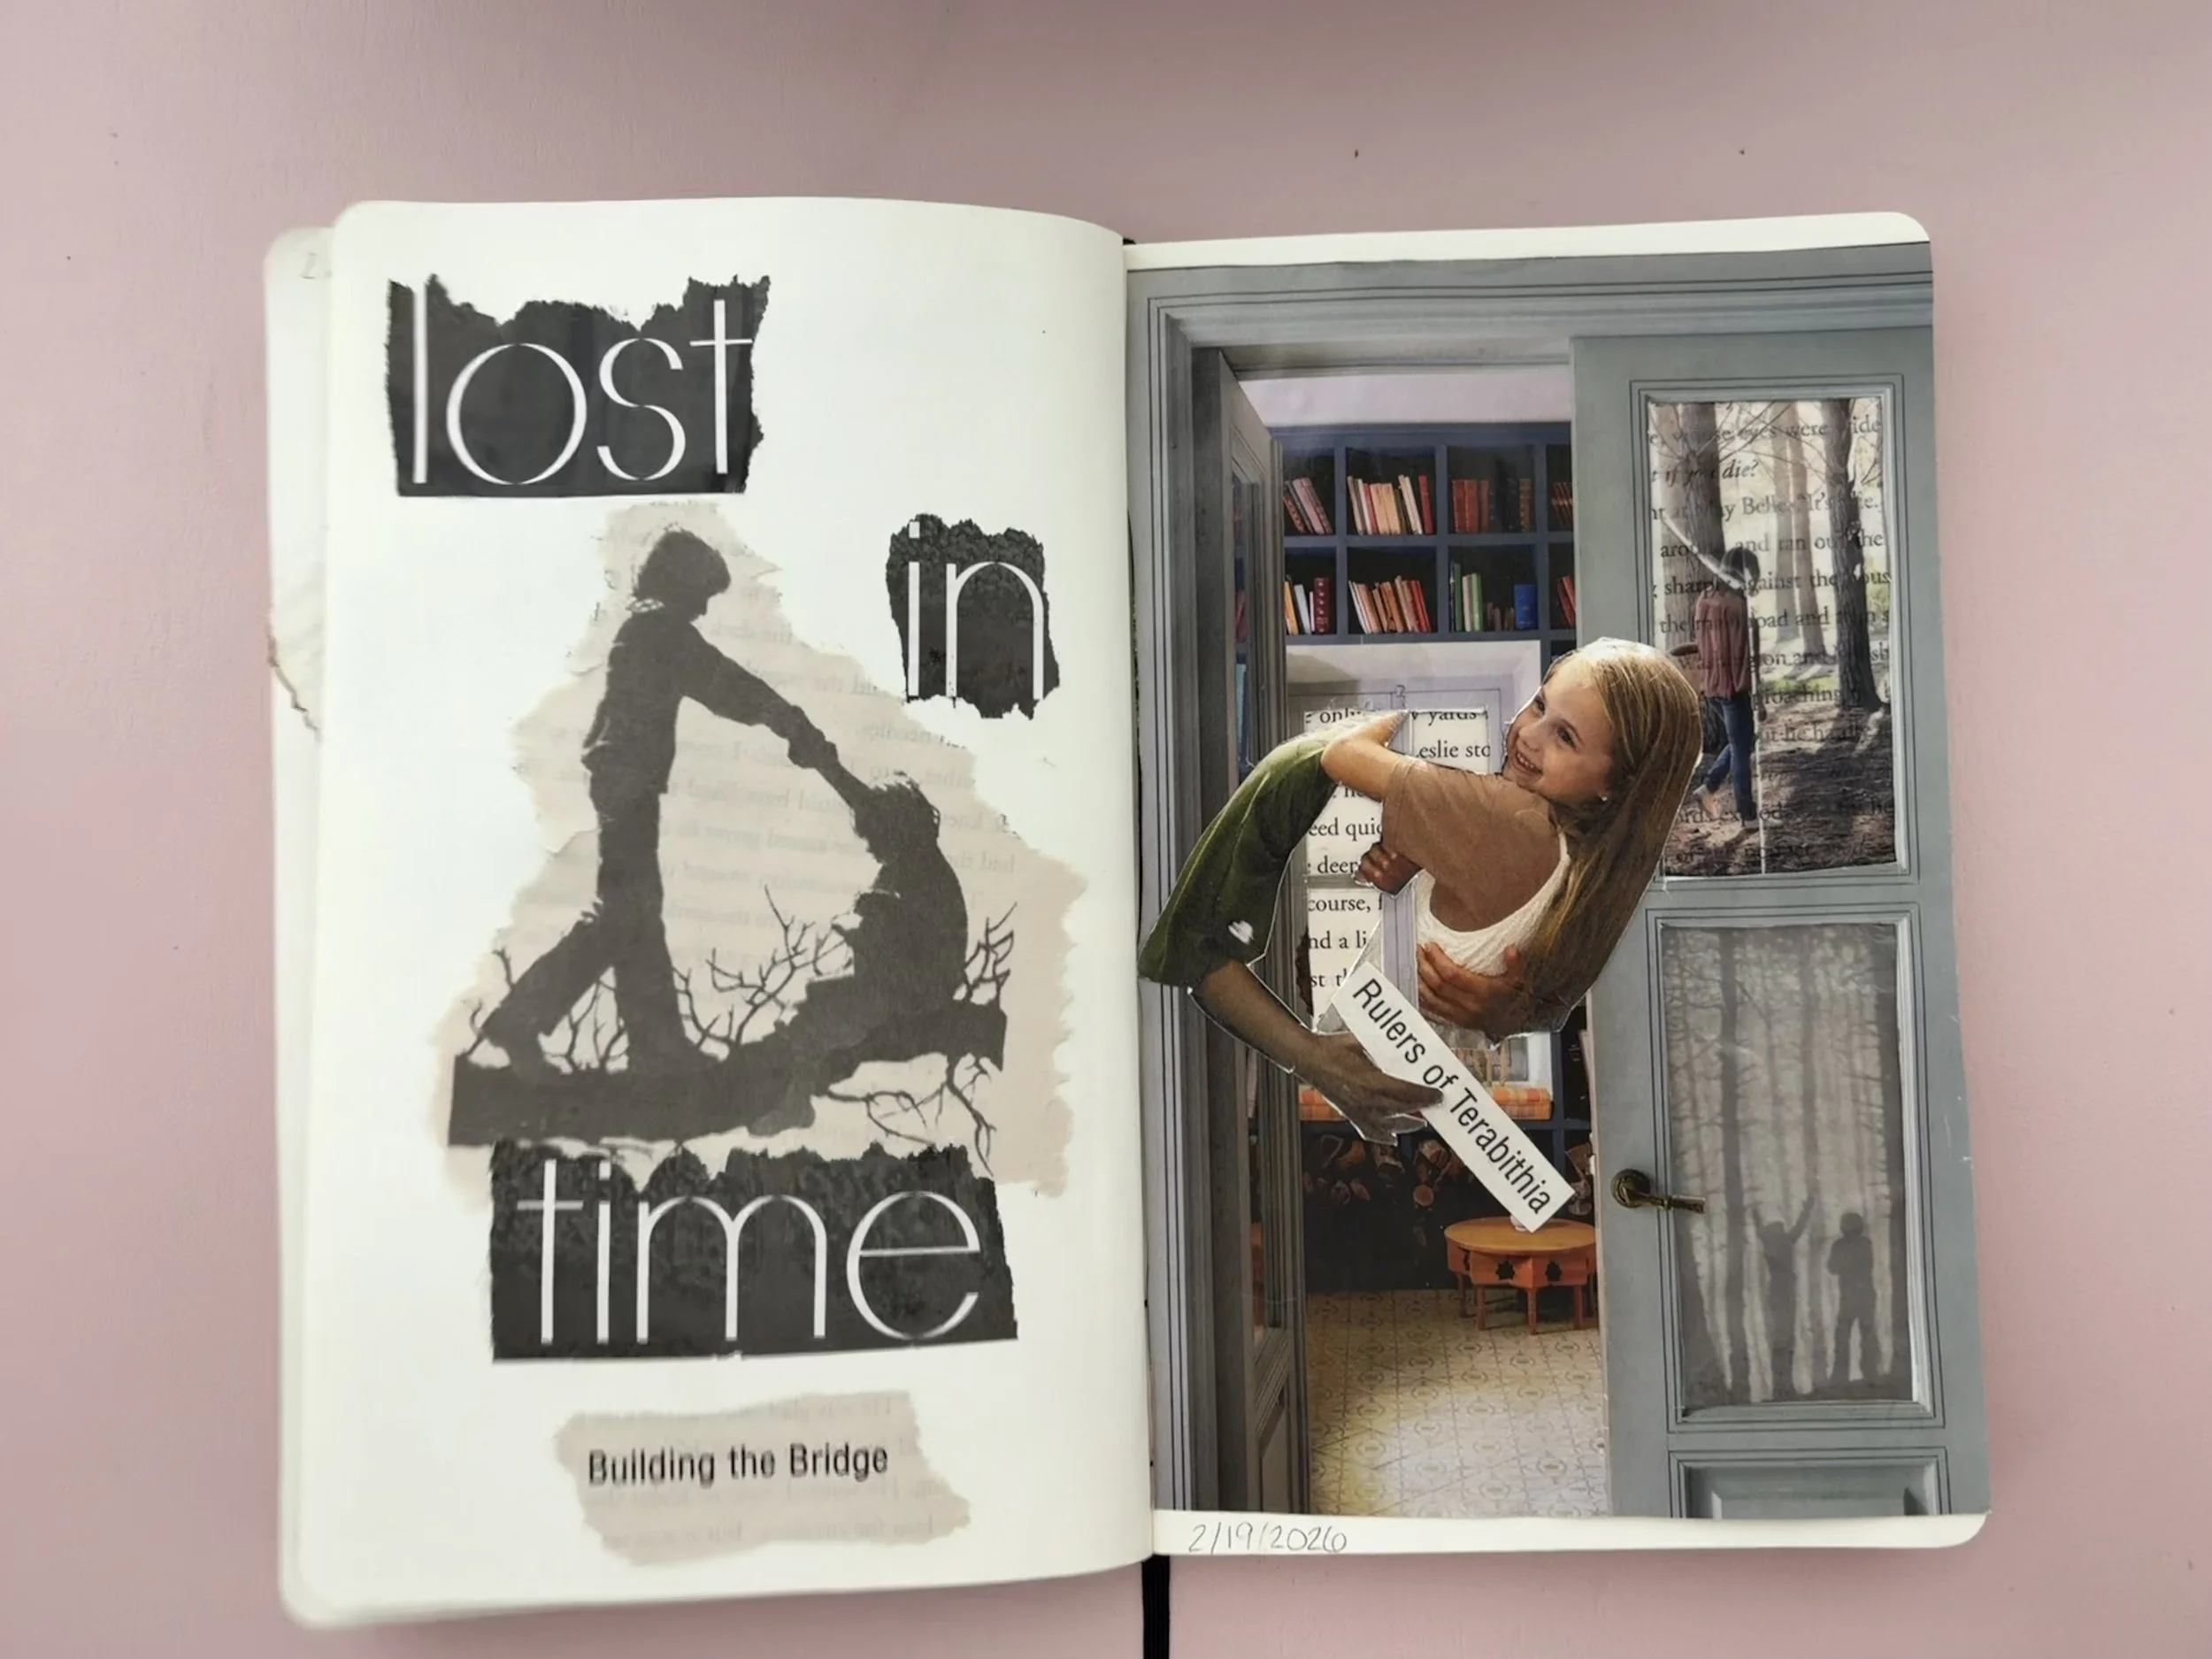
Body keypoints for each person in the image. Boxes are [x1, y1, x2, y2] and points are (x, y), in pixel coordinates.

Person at [1139, 638, 1701, 1141]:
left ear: (1615, 784)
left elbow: (1342, 756)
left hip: (1355, 1060)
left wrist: (1380, 722)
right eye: (1539, 704)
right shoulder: (1583, 859)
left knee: (1200, 951)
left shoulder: (1509, 818)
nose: (1528, 736)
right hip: (1409, 1082)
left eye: (1565, 737)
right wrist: (1422, 872)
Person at [481, 529, 828, 1077]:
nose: (703, 609)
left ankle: (655, 1046)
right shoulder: (659, 631)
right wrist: (788, 720)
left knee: (636, 911)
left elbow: (720, 682)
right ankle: (524, 1021)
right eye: (701, 595)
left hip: (623, 779)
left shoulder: (645, 628)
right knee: (624, 911)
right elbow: (725, 684)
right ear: (680, 583)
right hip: (627, 782)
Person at [1690, 546, 1762, 826]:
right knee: (1742, 749)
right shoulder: (1739, 608)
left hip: (1711, 689)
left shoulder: (1704, 599)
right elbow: (1748, 658)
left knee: (1741, 742)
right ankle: (1747, 815)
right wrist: (1758, 699)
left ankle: (1707, 788)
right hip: (1734, 690)